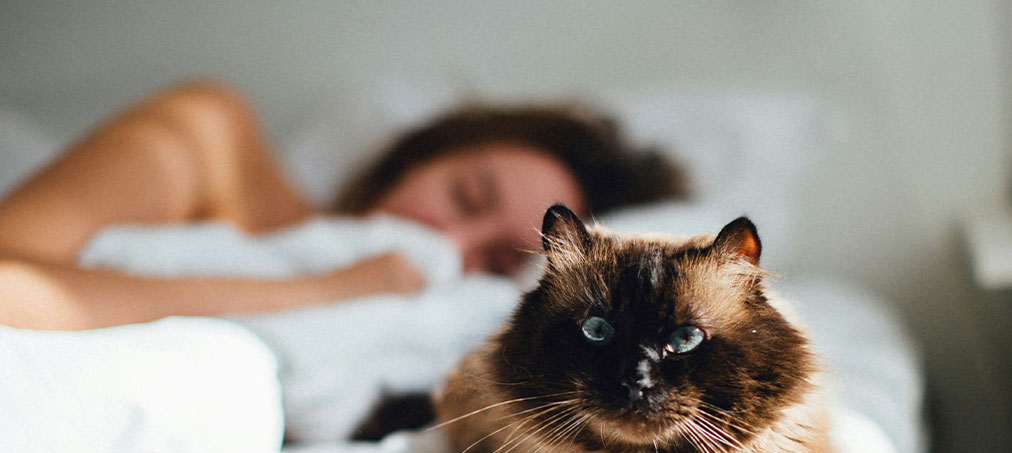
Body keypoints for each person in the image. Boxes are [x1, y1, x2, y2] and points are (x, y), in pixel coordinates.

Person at [0, 81, 687, 330]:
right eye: (465, 195)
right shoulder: (208, 138)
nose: (450, 244)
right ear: (419, 156)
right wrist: (324, 291)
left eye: (493, 261)